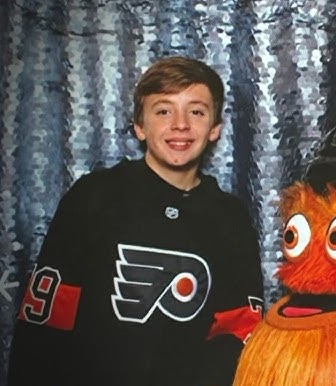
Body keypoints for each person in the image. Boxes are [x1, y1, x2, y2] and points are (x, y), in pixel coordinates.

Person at [7, 57, 264, 386]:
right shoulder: (93, 198)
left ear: (214, 128)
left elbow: (238, 335)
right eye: (163, 110)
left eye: (196, 111)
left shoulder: (230, 218)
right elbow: (44, 324)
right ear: (139, 126)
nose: (180, 124)